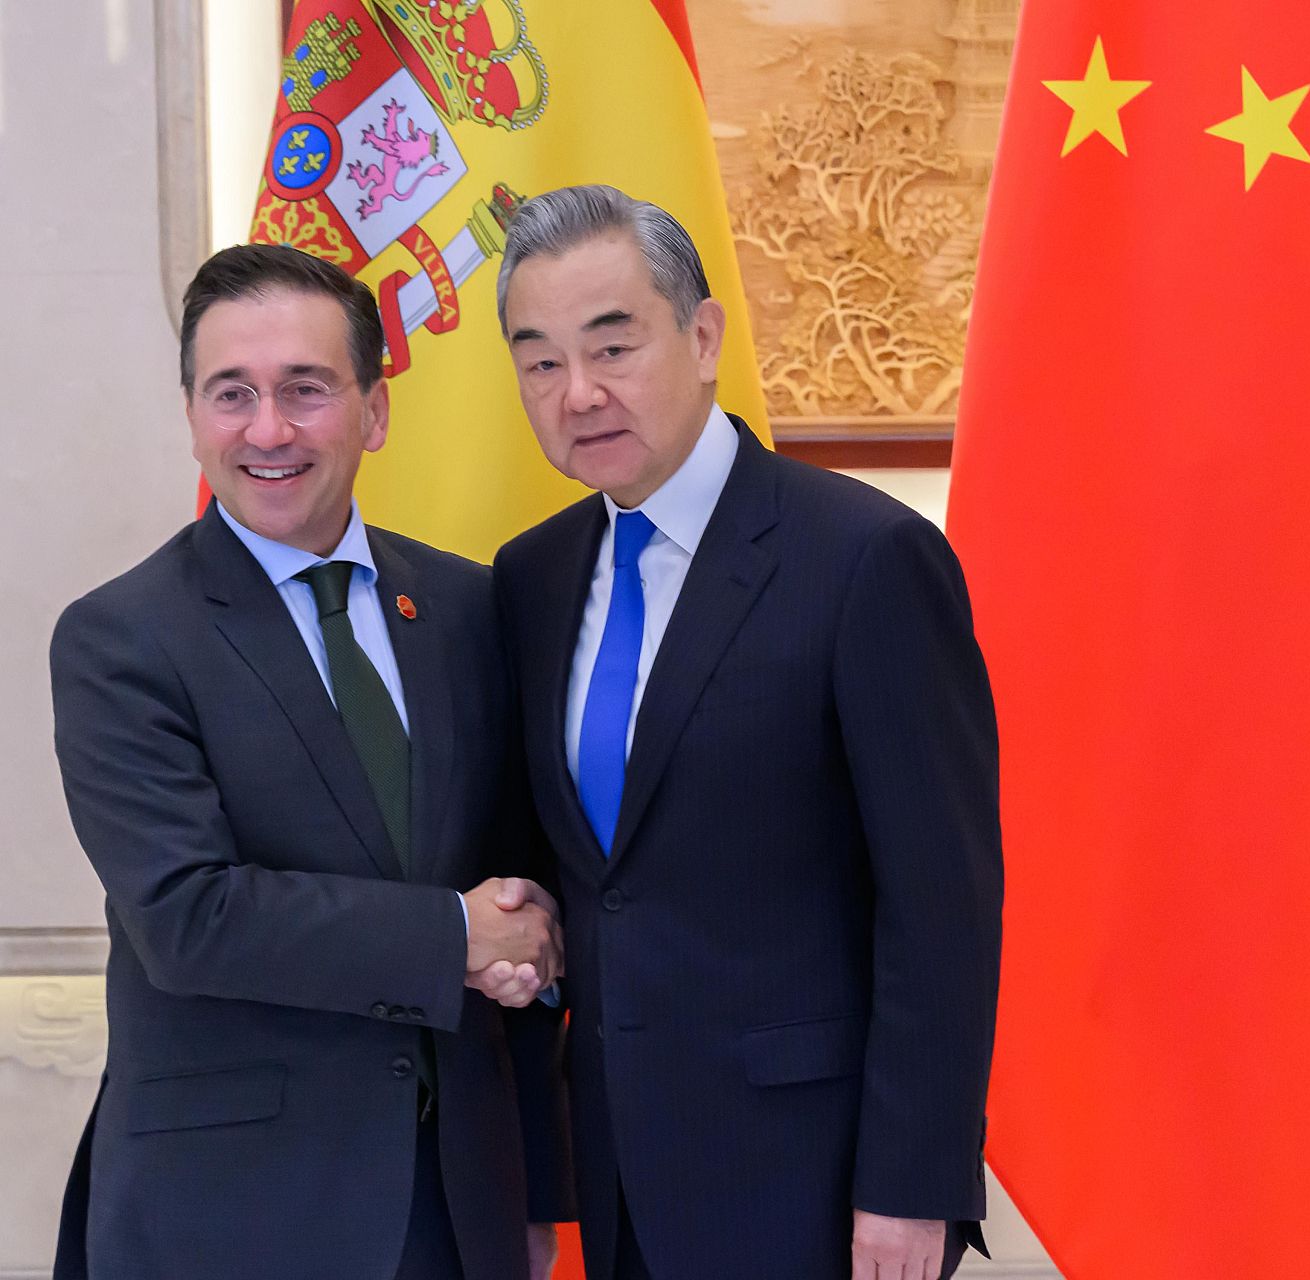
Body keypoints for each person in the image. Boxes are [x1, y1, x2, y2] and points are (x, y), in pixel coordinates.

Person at [491, 184, 1004, 1280]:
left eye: (612, 345)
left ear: (704, 333)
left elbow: (941, 900)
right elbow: (562, 888)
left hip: (811, 1180)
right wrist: (537, 1176)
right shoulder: (530, 580)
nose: (578, 393)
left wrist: (911, 1185)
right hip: (621, 1174)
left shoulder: (863, 559)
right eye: (540, 362)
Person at [49, 244, 573, 1280]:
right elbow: (188, 919)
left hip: (454, 1203)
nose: (268, 428)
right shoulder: (120, 637)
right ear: (193, 414)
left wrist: (532, 1184)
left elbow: (522, 880)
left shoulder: (474, 609)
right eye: (230, 392)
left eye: (306, 388)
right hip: (231, 1210)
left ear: (374, 413)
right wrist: (460, 932)